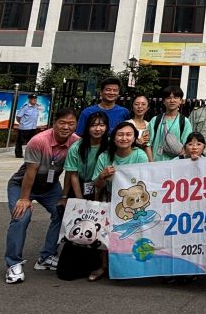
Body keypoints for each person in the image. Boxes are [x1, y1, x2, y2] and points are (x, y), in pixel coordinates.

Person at [4, 107, 79, 284]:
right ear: (54, 123)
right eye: (62, 122)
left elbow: (70, 171)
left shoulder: (76, 143)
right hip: (23, 184)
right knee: (21, 216)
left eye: (71, 123)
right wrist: (24, 198)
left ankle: (46, 257)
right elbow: (30, 172)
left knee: (61, 213)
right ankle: (13, 264)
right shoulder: (39, 141)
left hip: (50, 186)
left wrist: (65, 196)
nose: (66, 127)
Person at [89, 121, 149, 281]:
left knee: (132, 234)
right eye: (120, 134)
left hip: (135, 205)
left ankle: (132, 266)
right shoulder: (105, 156)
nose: (124, 138)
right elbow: (97, 185)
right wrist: (102, 176)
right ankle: (104, 266)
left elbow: (146, 181)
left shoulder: (140, 155)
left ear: (134, 138)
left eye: (129, 135)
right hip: (109, 199)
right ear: (113, 138)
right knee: (105, 235)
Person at [63, 111, 109, 201]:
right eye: (93, 125)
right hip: (80, 185)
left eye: (102, 125)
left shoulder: (110, 146)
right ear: (87, 127)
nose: (98, 129)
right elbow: (73, 175)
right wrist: (80, 200)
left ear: (106, 127)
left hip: (103, 186)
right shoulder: (76, 147)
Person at [149, 86, 193, 161]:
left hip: (175, 166)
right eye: (168, 98)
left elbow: (187, 146)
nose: (172, 100)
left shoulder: (184, 122)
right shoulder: (155, 120)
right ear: (163, 101)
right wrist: (150, 162)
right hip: (156, 164)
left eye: (175, 97)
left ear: (181, 101)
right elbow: (148, 144)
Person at [12, 94, 44, 158]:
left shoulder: (37, 107)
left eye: (35, 99)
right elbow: (18, 116)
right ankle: (18, 154)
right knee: (20, 142)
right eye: (32, 99)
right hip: (24, 128)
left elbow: (43, 109)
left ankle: (30, 155)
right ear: (29, 99)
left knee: (31, 142)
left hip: (33, 128)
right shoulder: (25, 107)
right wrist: (22, 123)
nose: (34, 100)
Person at [128, 94, 152, 159]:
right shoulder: (127, 124)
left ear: (148, 108)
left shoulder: (150, 125)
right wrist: (135, 142)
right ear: (132, 107)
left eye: (143, 104)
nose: (140, 106)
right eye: (136, 104)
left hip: (146, 160)